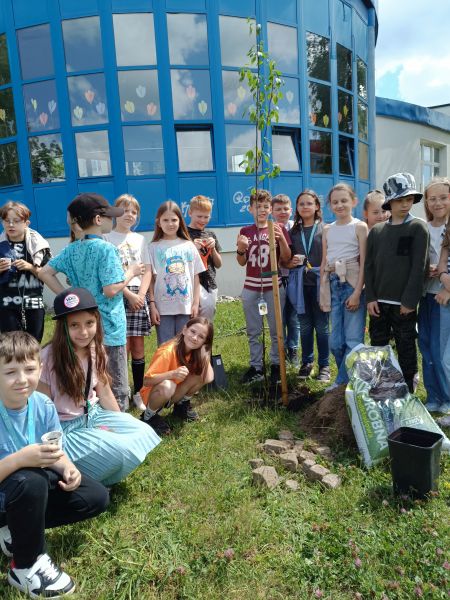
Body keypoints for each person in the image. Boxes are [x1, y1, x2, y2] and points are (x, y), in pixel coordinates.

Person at [0, 330, 109, 598]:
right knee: (31, 480)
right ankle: (25, 566)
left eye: (29, 369)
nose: (22, 379)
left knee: (95, 496)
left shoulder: (43, 404)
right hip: (16, 486)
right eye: (10, 372)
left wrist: (68, 468)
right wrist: (20, 459)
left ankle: (16, 528)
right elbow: (24, 466)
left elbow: (55, 450)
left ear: (40, 368)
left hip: (27, 490)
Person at [38, 287, 161, 486]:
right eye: (74, 325)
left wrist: (118, 423)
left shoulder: (96, 349)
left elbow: (104, 391)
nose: (84, 332)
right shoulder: (48, 358)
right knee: (121, 449)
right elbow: (41, 409)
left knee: (144, 433)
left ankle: (97, 470)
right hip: (65, 428)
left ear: (97, 321)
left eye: (89, 323)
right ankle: (87, 480)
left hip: (93, 415)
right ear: (63, 327)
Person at [40, 193, 145, 411]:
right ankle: (118, 420)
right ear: (98, 220)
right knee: (114, 383)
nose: (113, 219)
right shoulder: (107, 249)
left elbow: (44, 272)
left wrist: (69, 298)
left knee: (91, 379)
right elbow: (111, 289)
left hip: (83, 329)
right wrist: (132, 272)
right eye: (109, 216)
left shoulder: (72, 249)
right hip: (110, 327)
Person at [365, 172, 429, 393]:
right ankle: (381, 388)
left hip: (404, 304)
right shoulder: (376, 231)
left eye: (409, 199)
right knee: (378, 346)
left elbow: (419, 268)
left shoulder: (418, 228)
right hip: (378, 303)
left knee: (406, 345)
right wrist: (370, 297)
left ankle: (408, 388)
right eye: (400, 200)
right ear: (390, 202)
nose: (405, 204)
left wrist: (409, 301)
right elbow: (369, 266)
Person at [236, 189, 291, 385]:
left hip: (273, 285)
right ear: (250, 209)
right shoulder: (245, 231)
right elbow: (241, 262)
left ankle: (277, 364)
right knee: (254, 329)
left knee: (277, 329)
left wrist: (281, 239)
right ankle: (256, 366)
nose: (262, 210)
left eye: (266, 206)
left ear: (270, 209)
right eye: (258, 206)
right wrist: (240, 249)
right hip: (251, 286)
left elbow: (286, 259)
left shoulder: (277, 228)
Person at [105, 194, 152, 412]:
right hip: (118, 294)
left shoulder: (140, 240)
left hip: (138, 295)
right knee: (121, 346)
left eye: (134, 212)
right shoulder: (106, 238)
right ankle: (119, 390)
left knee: (138, 345)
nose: (129, 215)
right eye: (124, 210)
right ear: (114, 212)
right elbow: (107, 274)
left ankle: (139, 391)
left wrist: (140, 295)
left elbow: (147, 270)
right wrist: (128, 295)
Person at [320, 183, 367, 390]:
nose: (339, 205)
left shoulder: (359, 227)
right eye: (335, 202)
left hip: (352, 284)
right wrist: (323, 290)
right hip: (333, 285)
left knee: (353, 340)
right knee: (335, 342)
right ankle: (348, 380)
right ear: (330, 205)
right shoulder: (327, 229)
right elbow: (324, 262)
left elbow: (364, 262)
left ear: (354, 202)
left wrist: (357, 292)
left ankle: (341, 383)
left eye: (344, 201)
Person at [140, 317, 214, 435]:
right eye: (193, 331)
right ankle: (148, 416)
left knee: (200, 375)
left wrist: (205, 353)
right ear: (184, 330)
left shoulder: (195, 352)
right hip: (153, 394)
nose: (195, 338)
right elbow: (146, 381)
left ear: (205, 342)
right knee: (168, 385)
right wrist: (172, 374)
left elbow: (209, 378)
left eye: (201, 337)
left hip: (174, 392)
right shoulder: (168, 351)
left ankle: (181, 407)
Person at [286, 190, 330, 382]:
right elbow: (286, 259)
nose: (305, 207)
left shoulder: (326, 229)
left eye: (309, 203)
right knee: (304, 326)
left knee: (322, 326)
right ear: (297, 208)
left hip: (321, 283)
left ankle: (325, 366)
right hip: (300, 285)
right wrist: (291, 261)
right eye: (301, 204)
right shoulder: (293, 232)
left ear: (317, 206)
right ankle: (307, 362)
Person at [148, 201, 205, 346]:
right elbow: (150, 280)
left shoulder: (188, 245)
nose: (170, 224)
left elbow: (195, 276)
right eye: (165, 220)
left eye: (174, 219)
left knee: (184, 346)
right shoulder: (153, 247)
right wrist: (152, 305)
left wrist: (195, 303)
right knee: (165, 347)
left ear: (180, 221)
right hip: (162, 309)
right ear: (158, 222)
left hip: (186, 307)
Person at [417, 177, 450, 413]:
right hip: (426, 294)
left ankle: (447, 399)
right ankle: (433, 396)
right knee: (426, 345)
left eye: (443, 198)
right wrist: (425, 269)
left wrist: (447, 288)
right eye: (432, 199)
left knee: (441, 350)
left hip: (444, 296)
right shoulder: (424, 228)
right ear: (426, 203)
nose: (437, 203)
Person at [0, 201, 51, 342]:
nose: (11, 225)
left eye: (16, 221)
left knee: (34, 343)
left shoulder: (38, 246)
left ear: (26, 223)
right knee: (12, 346)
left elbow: (48, 274)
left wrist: (30, 267)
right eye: (7, 221)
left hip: (33, 303)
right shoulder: (1, 245)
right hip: (7, 305)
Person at [271, 194, 299, 367]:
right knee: (279, 317)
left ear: (291, 210)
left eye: (285, 209)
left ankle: (293, 349)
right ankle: (280, 350)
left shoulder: (296, 228)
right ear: (272, 211)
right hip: (278, 278)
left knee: (293, 317)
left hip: (294, 277)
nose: (282, 212)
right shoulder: (269, 229)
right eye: (278, 209)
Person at [187, 195, 222, 321]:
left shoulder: (210, 234)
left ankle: (204, 334)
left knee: (207, 317)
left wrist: (213, 249)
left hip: (210, 282)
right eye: (199, 216)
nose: (202, 220)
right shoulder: (183, 234)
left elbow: (218, 264)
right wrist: (192, 247)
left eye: (206, 217)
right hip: (191, 282)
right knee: (192, 317)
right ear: (190, 213)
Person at [436, 206, 450, 415]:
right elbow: (441, 266)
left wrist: (448, 290)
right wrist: (444, 278)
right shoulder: (447, 234)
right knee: (444, 356)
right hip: (445, 302)